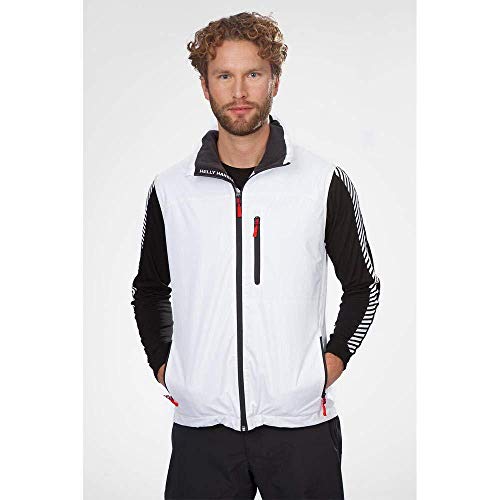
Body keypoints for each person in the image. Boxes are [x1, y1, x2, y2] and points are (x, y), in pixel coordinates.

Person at [131, 11, 381, 500]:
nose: (239, 91)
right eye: (224, 76)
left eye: (253, 74)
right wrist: (167, 368)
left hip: (300, 425)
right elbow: (149, 288)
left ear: (275, 81)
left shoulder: (321, 181)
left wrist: (327, 366)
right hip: (203, 429)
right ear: (205, 86)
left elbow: (363, 286)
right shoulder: (172, 189)